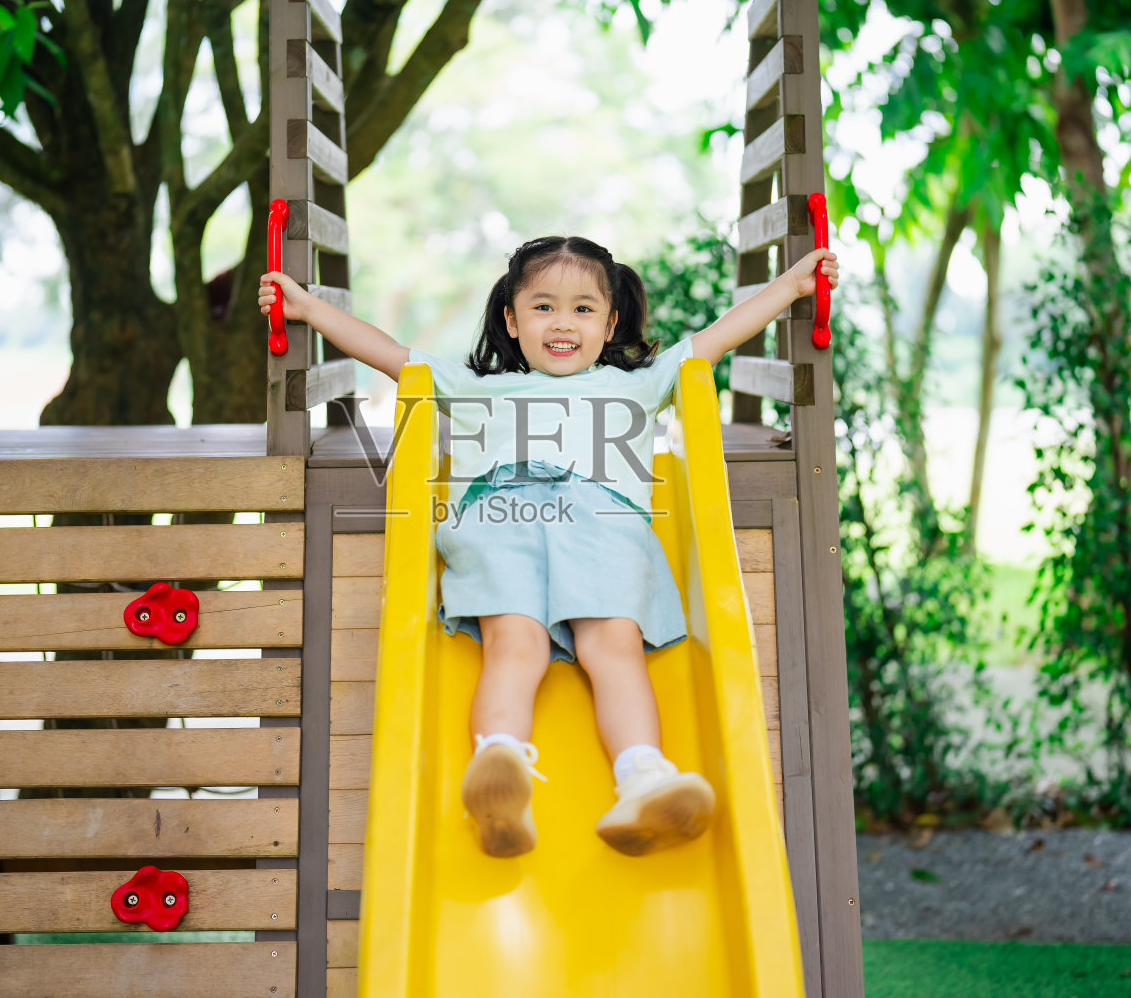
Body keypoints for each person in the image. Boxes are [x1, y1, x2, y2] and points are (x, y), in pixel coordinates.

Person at [258, 236, 838, 858]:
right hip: (504, 520)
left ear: (610, 323)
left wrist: (793, 285)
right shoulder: (478, 389)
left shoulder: (639, 385)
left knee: (612, 647)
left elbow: (715, 339)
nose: (563, 323)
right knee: (515, 644)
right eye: (543, 307)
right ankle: (499, 766)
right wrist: (307, 308)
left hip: (602, 529)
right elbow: (391, 355)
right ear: (511, 319)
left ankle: (643, 778)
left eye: (583, 309)